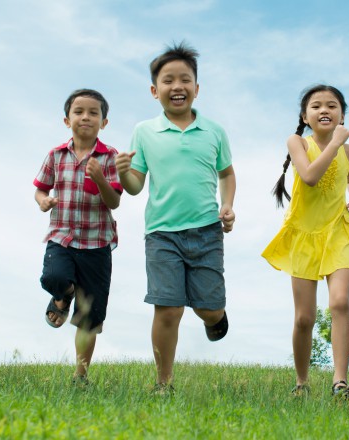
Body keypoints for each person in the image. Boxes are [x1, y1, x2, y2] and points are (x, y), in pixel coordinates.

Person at [115, 42, 236, 395]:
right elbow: (136, 186)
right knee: (168, 309)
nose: (177, 86)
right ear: (155, 91)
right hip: (162, 234)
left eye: (185, 79)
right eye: (168, 80)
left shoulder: (214, 131)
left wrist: (226, 205)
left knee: (206, 307)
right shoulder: (144, 131)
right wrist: (124, 173)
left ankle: (216, 317)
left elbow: (227, 173)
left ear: (197, 88)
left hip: (207, 232)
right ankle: (163, 383)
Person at [262, 85, 349, 399]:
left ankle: (340, 382)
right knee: (305, 317)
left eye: (332, 106)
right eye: (316, 106)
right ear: (305, 117)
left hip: (338, 232)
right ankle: (302, 383)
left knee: (340, 303)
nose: (324, 110)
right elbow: (309, 176)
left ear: (342, 115)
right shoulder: (298, 142)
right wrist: (334, 143)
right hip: (304, 235)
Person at [34, 88, 123, 385]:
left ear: (104, 122)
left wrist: (99, 178)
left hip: (97, 243)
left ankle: (80, 375)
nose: (86, 117)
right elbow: (41, 188)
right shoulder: (56, 155)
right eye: (79, 112)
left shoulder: (110, 157)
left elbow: (114, 202)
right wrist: (43, 201)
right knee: (53, 277)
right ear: (66, 119)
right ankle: (63, 295)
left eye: (93, 113)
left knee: (90, 316)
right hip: (62, 236)